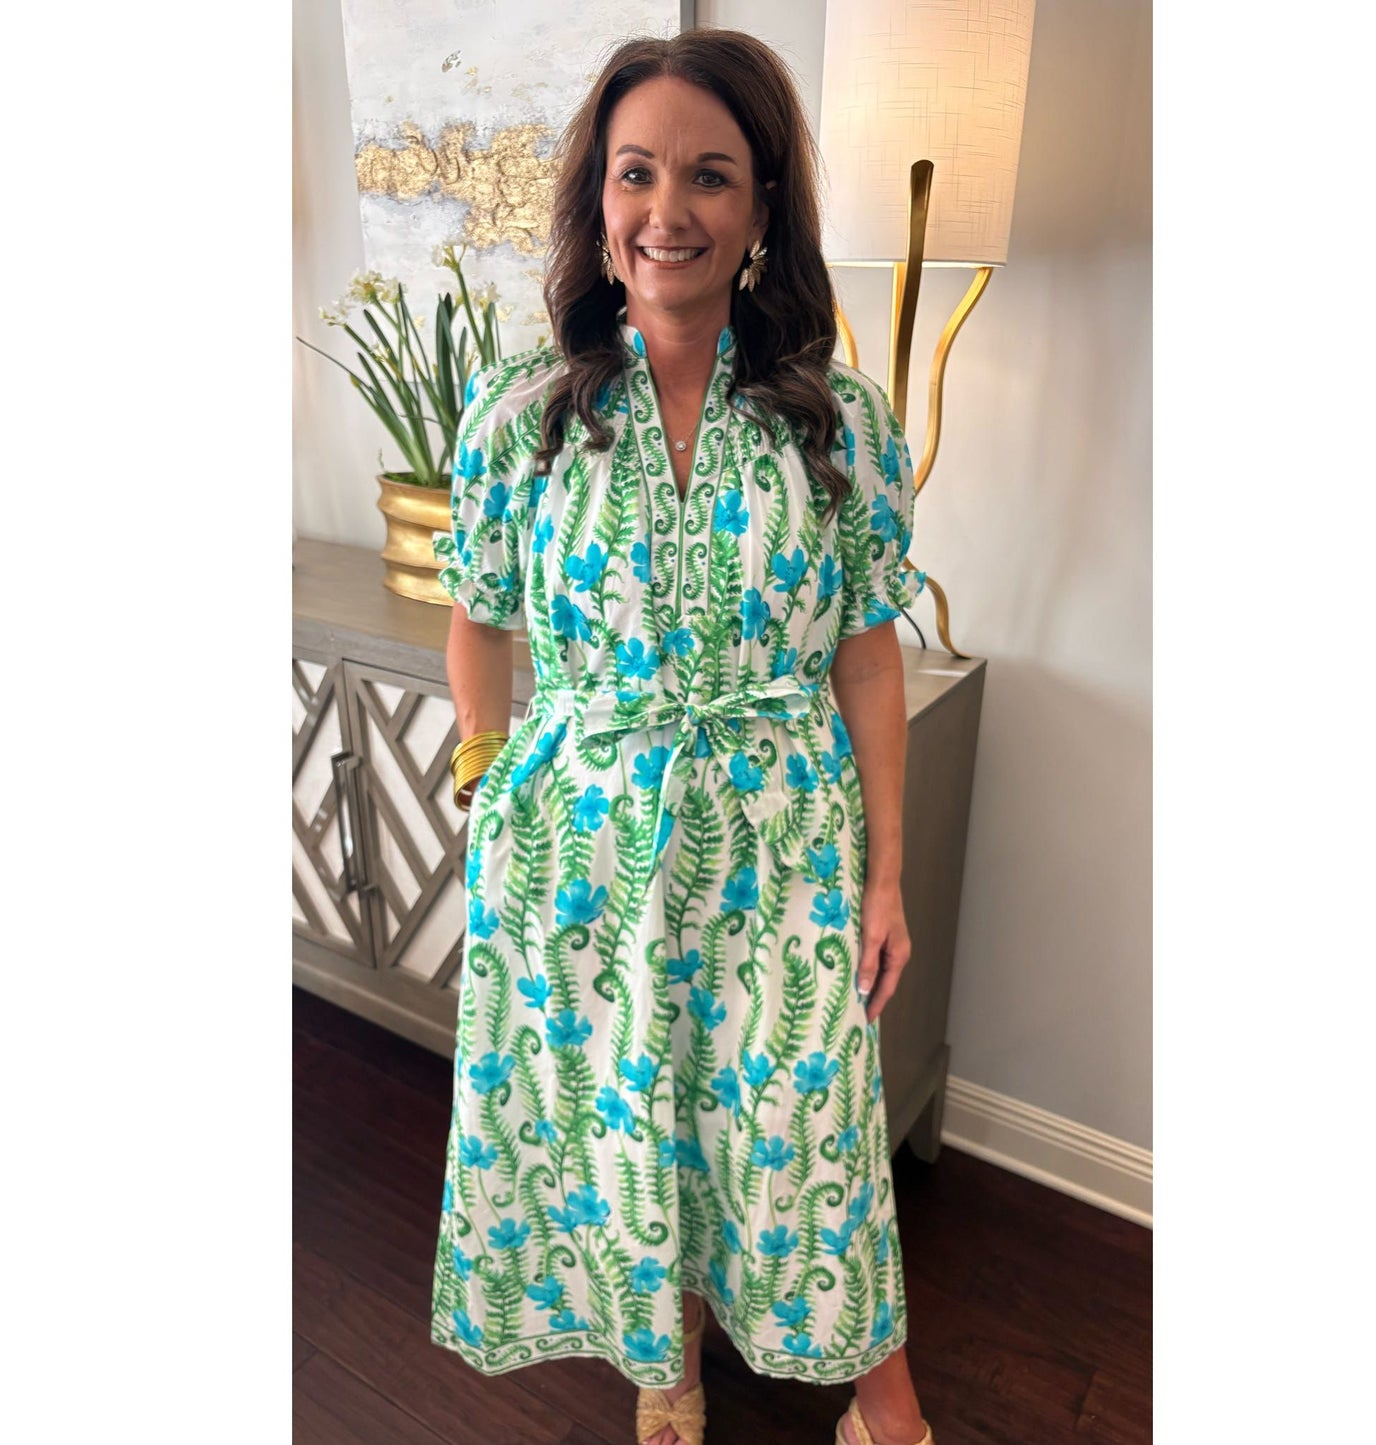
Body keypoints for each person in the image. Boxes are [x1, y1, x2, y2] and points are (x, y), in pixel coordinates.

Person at [430, 29, 935, 1445]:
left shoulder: (838, 421)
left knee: (801, 1129)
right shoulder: (519, 417)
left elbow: (867, 649)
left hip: (783, 841)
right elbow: (476, 617)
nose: (669, 210)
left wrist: (886, 872)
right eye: (637, 172)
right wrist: (488, 777)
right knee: (629, 1125)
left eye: (710, 175)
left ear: (762, 205)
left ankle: (883, 1400)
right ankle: (667, 1362)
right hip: (579, 851)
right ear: (598, 197)